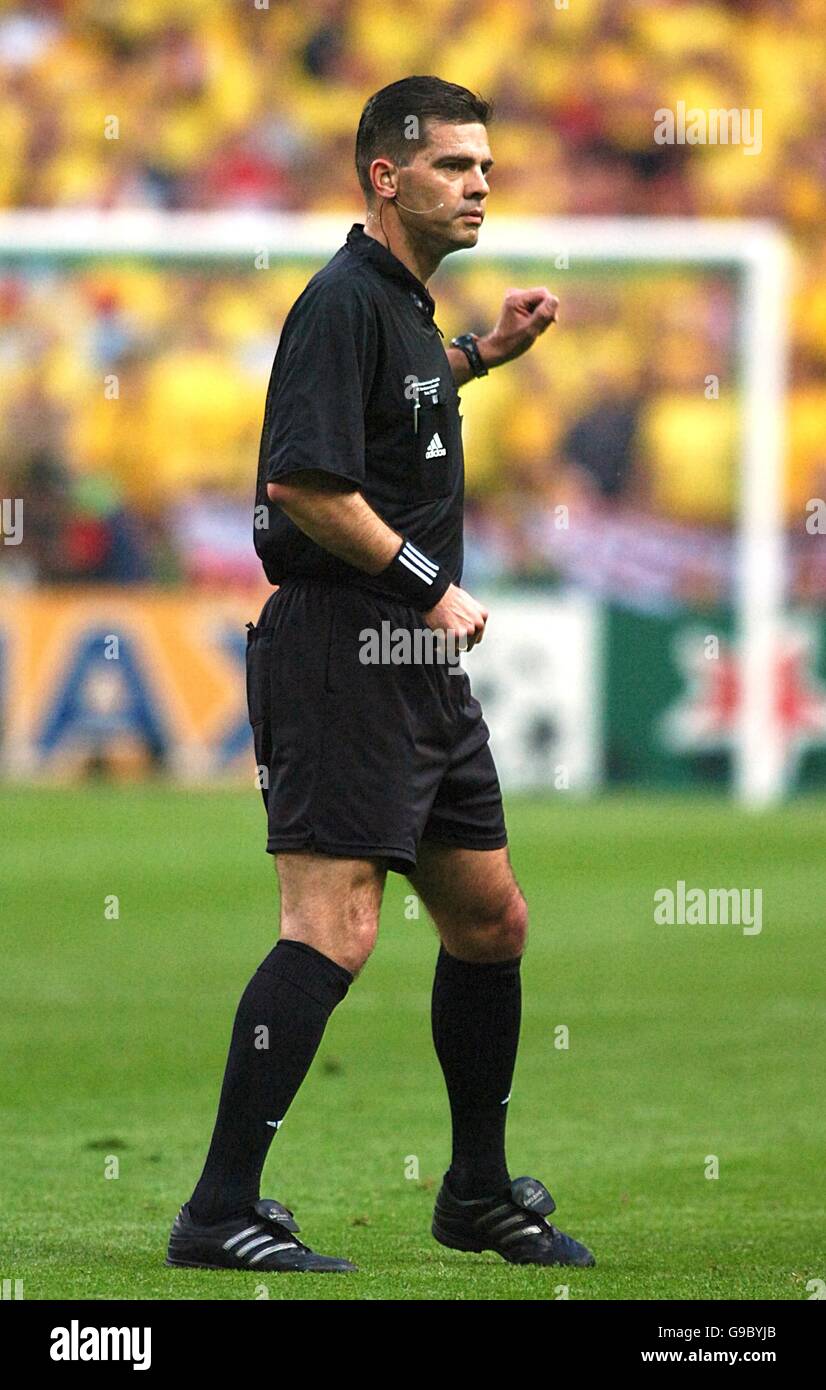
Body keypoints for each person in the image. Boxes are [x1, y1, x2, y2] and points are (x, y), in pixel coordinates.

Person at [167, 75, 595, 1274]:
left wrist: (480, 355)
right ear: (384, 175)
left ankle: (472, 1192)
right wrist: (427, 581)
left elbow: (391, 413)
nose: (478, 186)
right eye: (456, 166)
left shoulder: (407, 310)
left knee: (489, 917)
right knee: (334, 927)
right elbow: (305, 481)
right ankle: (217, 1209)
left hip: (412, 666)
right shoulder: (341, 300)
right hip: (344, 647)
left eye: (487, 169)